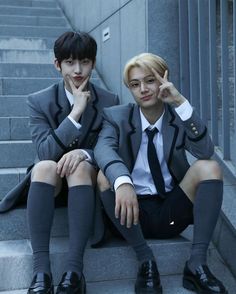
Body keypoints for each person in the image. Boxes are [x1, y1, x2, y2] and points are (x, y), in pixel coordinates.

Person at [94, 53, 227, 294]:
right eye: (135, 84)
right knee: (104, 177)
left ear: (164, 80)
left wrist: (180, 102)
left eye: (150, 81)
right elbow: (102, 150)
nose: (143, 89)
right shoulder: (116, 116)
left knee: (210, 167)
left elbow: (205, 150)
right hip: (128, 214)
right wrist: (123, 182)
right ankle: (145, 259)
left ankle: (197, 263)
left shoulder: (178, 117)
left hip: (170, 211)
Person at [0, 31, 118, 294]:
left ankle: (75, 270)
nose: (78, 70)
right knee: (43, 166)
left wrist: (83, 153)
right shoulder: (39, 101)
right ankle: (41, 270)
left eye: (85, 62)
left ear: (94, 63)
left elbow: (110, 147)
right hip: (48, 184)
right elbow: (45, 152)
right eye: (70, 62)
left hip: (85, 184)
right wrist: (76, 112)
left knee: (80, 166)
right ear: (57, 64)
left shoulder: (109, 101)